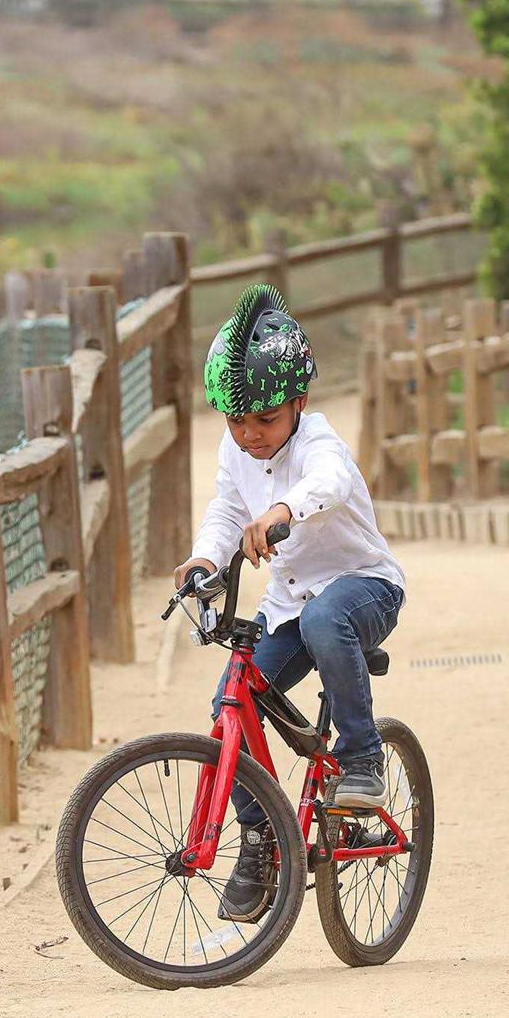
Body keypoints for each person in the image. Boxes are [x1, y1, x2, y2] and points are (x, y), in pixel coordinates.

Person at [175, 283, 406, 922]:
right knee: (230, 702)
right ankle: (262, 837)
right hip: (289, 606)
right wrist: (204, 558)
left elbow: (327, 484)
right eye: (235, 421)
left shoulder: (319, 445)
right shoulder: (236, 449)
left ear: (298, 402)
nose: (249, 435)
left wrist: (283, 508)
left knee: (329, 618)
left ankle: (361, 757)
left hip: (363, 588)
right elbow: (226, 509)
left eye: (265, 420)